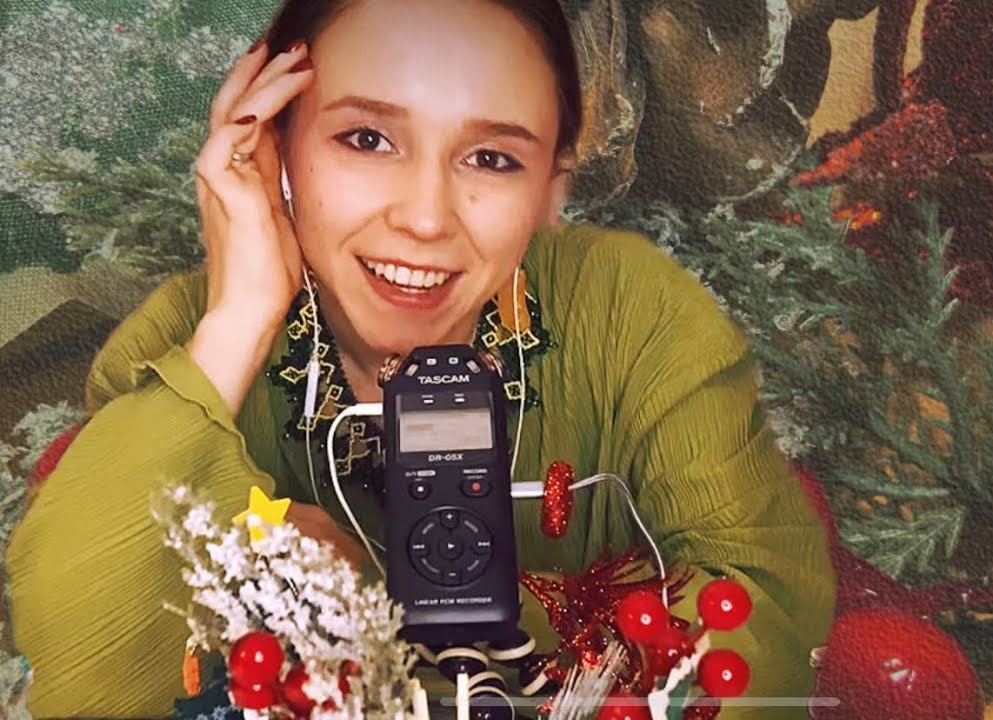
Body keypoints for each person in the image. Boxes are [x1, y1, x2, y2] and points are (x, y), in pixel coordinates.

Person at [5, 0, 836, 716]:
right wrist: (243, 316)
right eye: (367, 139)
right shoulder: (187, 340)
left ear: (551, 181)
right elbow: (83, 667)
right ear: (278, 149)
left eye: (492, 159)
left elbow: (764, 621)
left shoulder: (633, 314)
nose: (427, 218)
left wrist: (375, 605)